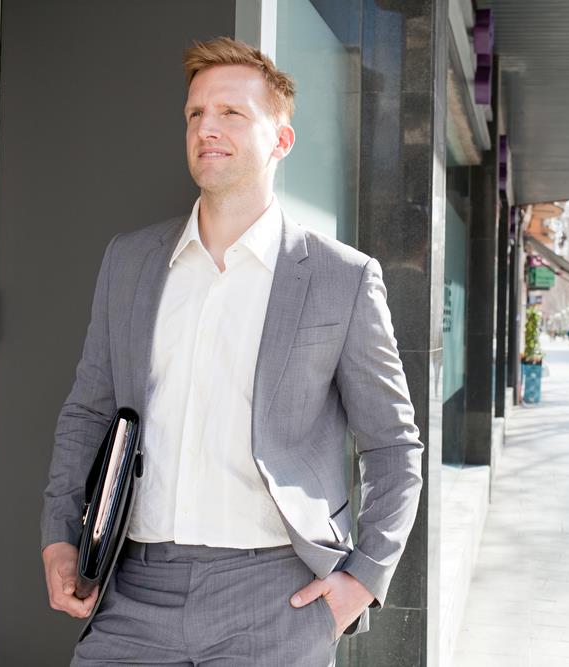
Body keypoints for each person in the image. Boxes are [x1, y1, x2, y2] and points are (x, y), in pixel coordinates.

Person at [40, 37, 423, 666]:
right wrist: (60, 535)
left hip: (276, 597)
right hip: (133, 588)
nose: (206, 127)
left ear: (281, 141)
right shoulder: (130, 261)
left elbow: (393, 444)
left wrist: (363, 579)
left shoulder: (341, 278)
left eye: (231, 113)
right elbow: (88, 408)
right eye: (195, 113)